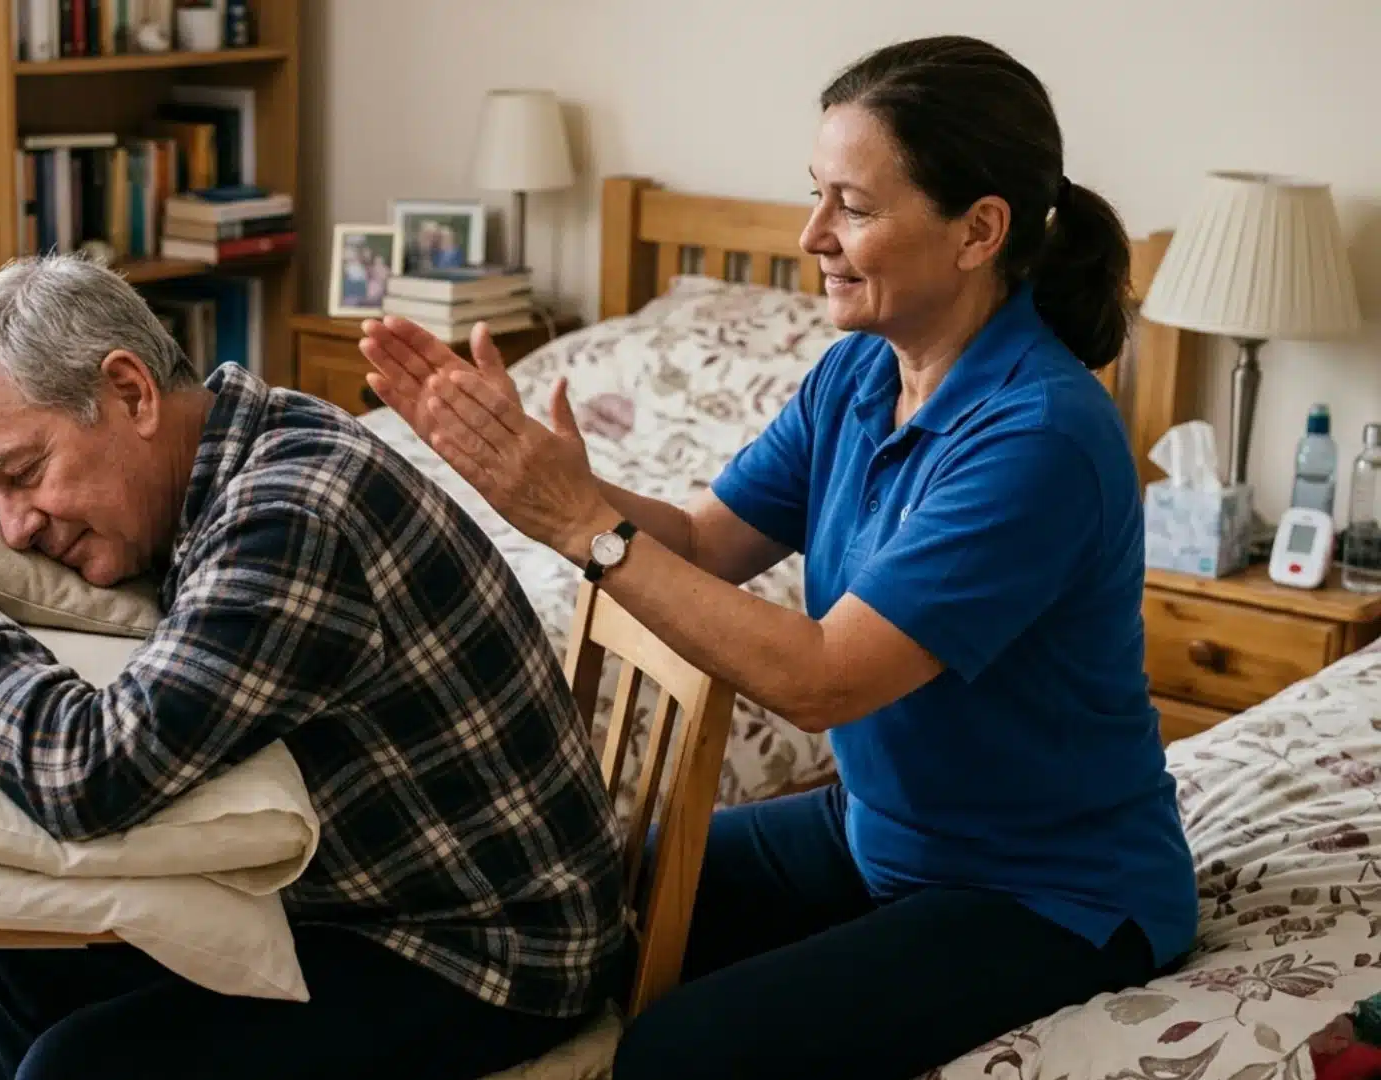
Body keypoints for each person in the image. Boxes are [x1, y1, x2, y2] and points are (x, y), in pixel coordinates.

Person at [357, 34, 1197, 1080]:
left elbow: (822, 680)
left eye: (853, 206)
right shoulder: (856, 376)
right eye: (815, 195)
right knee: (557, 913)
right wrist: (536, 478)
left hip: (1046, 890)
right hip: (881, 829)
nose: (812, 236)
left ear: (980, 231)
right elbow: (706, 541)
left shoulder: (1040, 438)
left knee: (680, 1054)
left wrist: (587, 529)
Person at [0, 254, 626, 1080]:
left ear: (132, 392)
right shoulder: (232, 447)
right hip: (368, 899)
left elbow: (89, 772)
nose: (15, 530)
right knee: (8, 951)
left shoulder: (291, 514)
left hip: (486, 951)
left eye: (24, 475)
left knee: (78, 1066)